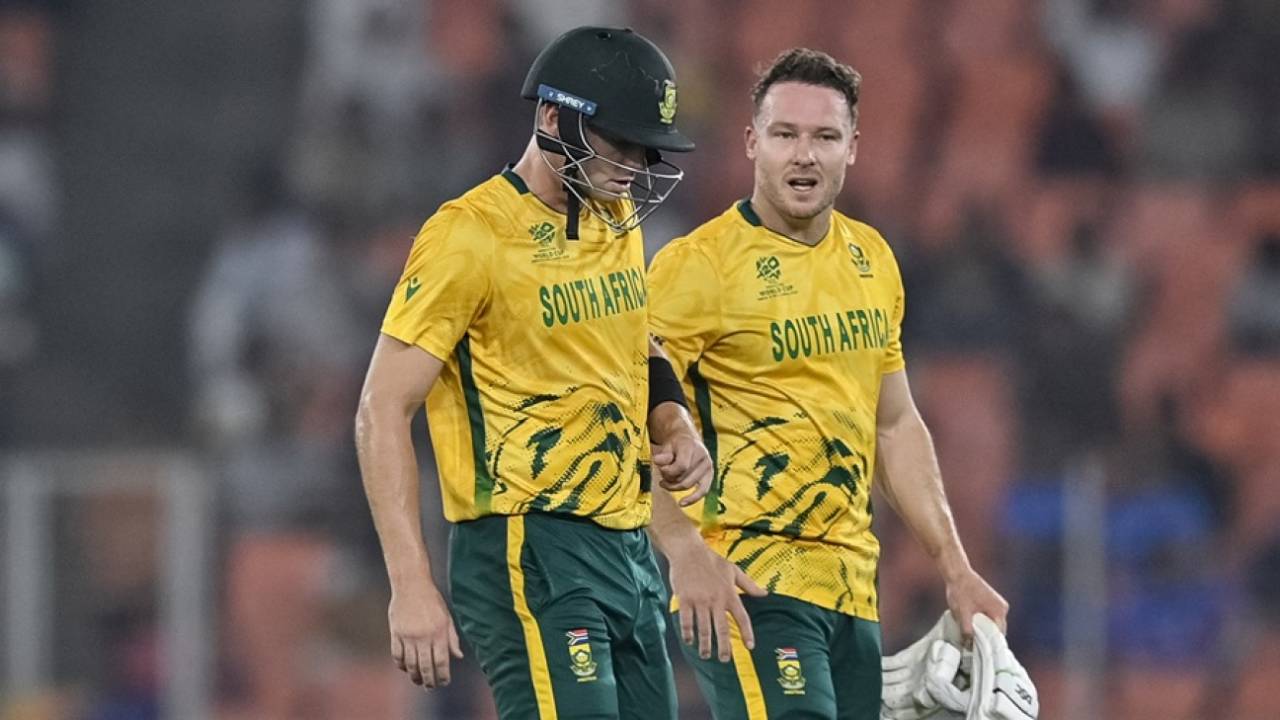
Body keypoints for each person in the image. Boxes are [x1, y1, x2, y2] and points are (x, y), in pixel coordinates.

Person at [355, 26, 714, 719]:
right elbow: (383, 407)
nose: (633, 165)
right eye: (618, 141)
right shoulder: (469, 235)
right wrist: (410, 582)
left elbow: (635, 341)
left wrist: (673, 420)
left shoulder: (616, 220)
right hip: (525, 543)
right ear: (553, 117)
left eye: (644, 147)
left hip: (626, 545)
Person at [646, 48, 1009, 719]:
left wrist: (955, 568)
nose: (804, 156)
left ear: (854, 148)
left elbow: (893, 424)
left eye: (825, 137)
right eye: (785, 134)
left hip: (852, 591)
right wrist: (682, 548)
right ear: (752, 142)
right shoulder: (696, 268)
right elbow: (624, 411)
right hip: (746, 579)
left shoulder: (873, 260)